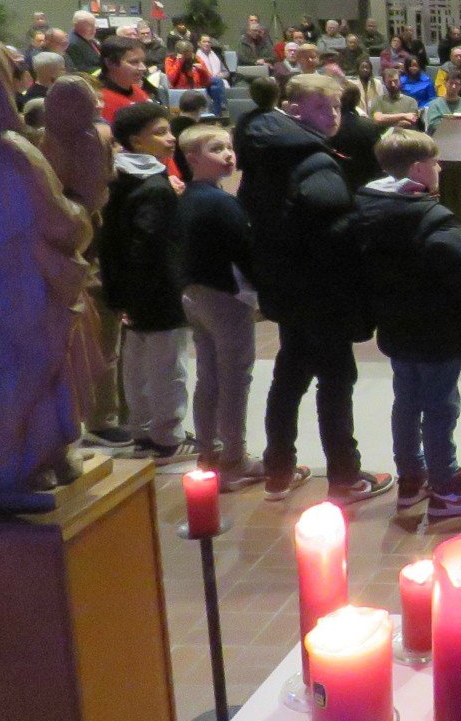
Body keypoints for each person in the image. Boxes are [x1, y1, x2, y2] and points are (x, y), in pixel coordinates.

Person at [241, 74, 389, 504]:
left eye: (338, 108)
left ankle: (278, 471)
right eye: (322, 108)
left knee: (289, 375)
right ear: (294, 111)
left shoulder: (267, 154)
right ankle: (345, 477)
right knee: (336, 380)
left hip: (286, 288)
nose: (333, 117)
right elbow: (332, 228)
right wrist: (365, 220)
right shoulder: (316, 161)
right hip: (322, 293)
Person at [354, 129, 461, 518]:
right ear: (418, 169)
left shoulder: (366, 207)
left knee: (406, 402)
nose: (440, 168)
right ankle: (447, 490)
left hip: (396, 328)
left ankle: (411, 479)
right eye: (435, 162)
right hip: (437, 331)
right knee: (440, 408)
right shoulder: (431, 217)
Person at [102, 102, 192, 462]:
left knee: (136, 365)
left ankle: (141, 432)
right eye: (160, 132)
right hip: (158, 289)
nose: (171, 139)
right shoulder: (155, 187)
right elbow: (149, 244)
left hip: (128, 288)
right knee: (168, 366)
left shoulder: (116, 178)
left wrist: (121, 293)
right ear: (136, 141)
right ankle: (168, 437)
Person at [177, 126, 263, 489]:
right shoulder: (221, 202)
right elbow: (246, 252)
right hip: (225, 297)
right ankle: (234, 459)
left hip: (193, 295)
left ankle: (208, 451)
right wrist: (265, 290)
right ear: (193, 159)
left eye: (229, 148)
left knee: (208, 377)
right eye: (217, 149)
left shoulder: (186, 197)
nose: (228, 155)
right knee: (234, 380)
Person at [96, 34, 153, 123]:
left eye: (142, 62)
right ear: (110, 63)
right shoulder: (99, 101)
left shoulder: (135, 89)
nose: (143, 68)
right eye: (134, 62)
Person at [422, 69, 461, 135]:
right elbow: (434, 124)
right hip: (439, 137)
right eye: (451, 83)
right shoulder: (434, 104)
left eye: (457, 84)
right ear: (445, 84)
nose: (454, 87)